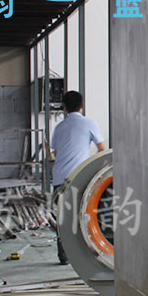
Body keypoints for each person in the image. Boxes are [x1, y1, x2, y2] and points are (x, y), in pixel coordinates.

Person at [51, 91, 106, 264]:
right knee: (82, 213)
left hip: (59, 176)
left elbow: (56, 153)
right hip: (79, 176)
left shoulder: (59, 127)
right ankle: (83, 254)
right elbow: (102, 150)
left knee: (62, 216)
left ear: (64, 108)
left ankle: (64, 256)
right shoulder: (89, 123)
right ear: (82, 105)